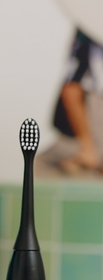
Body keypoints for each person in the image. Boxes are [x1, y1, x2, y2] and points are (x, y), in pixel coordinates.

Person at [38, 30, 103, 176]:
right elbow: (71, 89)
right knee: (42, 168)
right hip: (82, 139)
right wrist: (87, 145)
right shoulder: (88, 35)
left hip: (90, 141)